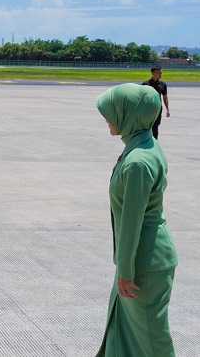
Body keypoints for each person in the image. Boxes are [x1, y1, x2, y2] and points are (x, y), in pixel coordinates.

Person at [96, 83, 178, 356]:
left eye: (113, 111)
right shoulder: (145, 144)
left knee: (151, 340)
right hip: (143, 258)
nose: (107, 117)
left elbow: (132, 223)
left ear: (130, 114)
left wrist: (126, 272)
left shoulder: (137, 163)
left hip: (143, 264)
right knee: (124, 331)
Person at [142, 66, 170, 139]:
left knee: (156, 126)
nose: (161, 74)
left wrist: (167, 109)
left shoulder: (163, 84)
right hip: (147, 109)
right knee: (146, 126)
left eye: (161, 73)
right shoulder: (145, 84)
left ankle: (155, 143)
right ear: (153, 73)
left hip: (158, 109)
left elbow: (165, 97)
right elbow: (140, 97)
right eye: (159, 73)